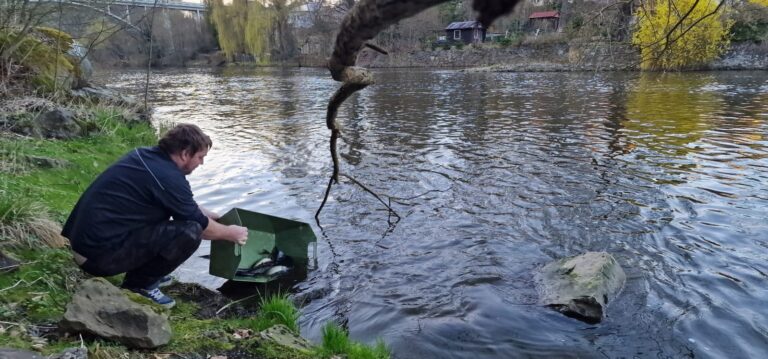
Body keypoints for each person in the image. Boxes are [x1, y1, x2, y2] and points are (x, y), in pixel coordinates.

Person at [62, 123, 247, 308]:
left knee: (181, 221)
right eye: (200, 157)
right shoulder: (168, 177)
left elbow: (178, 201)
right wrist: (231, 233)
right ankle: (140, 286)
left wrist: (208, 214)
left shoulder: (146, 156)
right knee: (191, 231)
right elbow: (202, 227)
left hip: (85, 244)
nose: (202, 163)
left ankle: (148, 272)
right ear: (185, 153)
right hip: (97, 258)